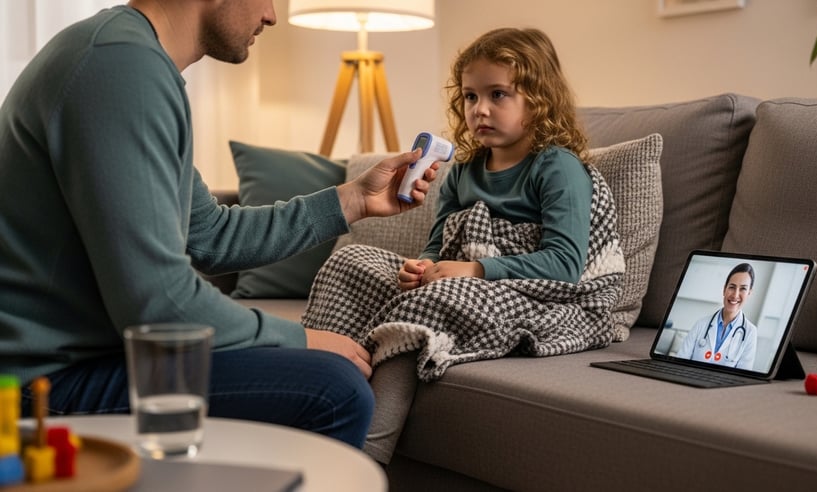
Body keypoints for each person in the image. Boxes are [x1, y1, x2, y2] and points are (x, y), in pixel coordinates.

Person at [0, 0, 439, 449]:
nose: (271, 16)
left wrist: (353, 200)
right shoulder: (120, 66)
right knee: (334, 390)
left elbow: (211, 235)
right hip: (40, 385)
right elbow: (159, 304)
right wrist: (298, 338)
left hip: (77, 363)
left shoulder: (130, 58)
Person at [302, 27, 624, 465]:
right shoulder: (463, 171)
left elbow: (565, 265)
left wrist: (473, 271)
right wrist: (422, 266)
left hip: (543, 298)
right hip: (463, 284)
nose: (480, 109)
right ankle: (318, 394)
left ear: (538, 99)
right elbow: (438, 245)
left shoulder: (557, 167)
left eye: (498, 94)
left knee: (435, 299)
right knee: (352, 261)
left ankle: (365, 457)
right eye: (471, 96)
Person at [676, 263, 758, 370]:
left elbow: (743, 374)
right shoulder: (701, 324)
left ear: (749, 293)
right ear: (724, 290)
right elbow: (680, 362)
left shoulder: (750, 332)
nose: (735, 295)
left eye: (743, 289)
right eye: (732, 287)